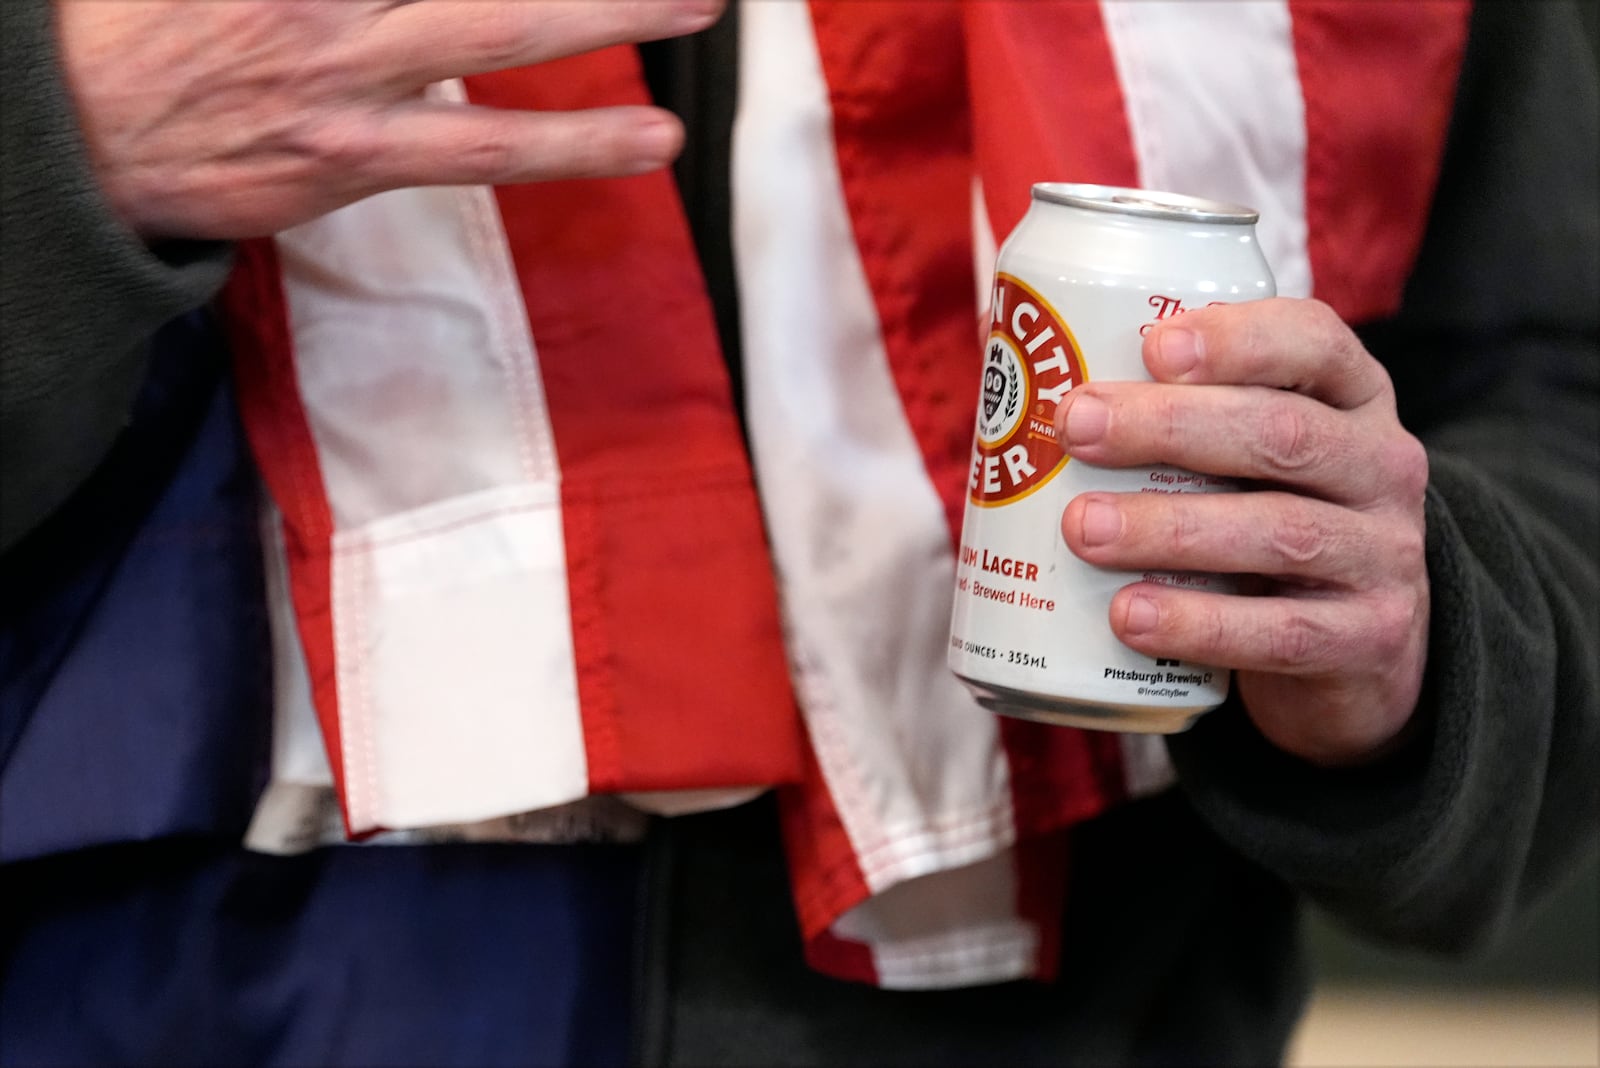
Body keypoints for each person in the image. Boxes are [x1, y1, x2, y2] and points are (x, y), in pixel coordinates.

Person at [2, 1, 1595, 1066]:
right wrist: (45, 143)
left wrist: (1424, 631)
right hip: (166, 995)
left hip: (1078, 999)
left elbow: (1553, 398)